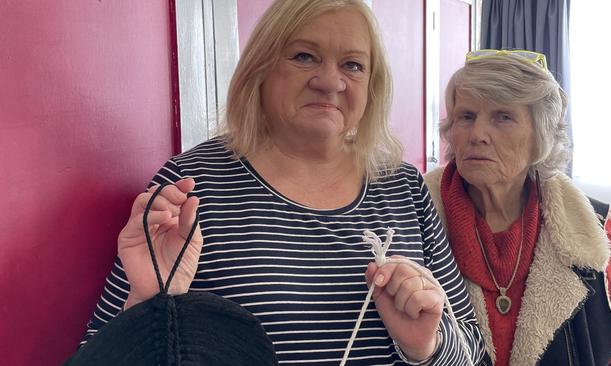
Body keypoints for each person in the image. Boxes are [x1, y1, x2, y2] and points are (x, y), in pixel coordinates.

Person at [81, 0, 485, 364]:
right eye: (305, 56)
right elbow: (97, 354)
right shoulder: (193, 185)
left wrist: (426, 348)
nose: (331, 82)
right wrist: (147, 303)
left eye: (353, 65)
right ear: (261, 67)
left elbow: (473, 349)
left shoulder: (402, 186)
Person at [423, 49, 611, 366]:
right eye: (467, 116)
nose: (477, 135)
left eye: (503, 116)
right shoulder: (411, 216)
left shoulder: (593, 227)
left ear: (540, 137)